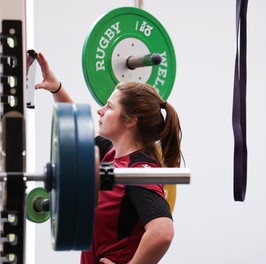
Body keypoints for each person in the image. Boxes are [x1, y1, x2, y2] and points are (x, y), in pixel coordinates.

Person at [34, 52, 182, 264]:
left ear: (130, 121)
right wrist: (56, 87)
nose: (100, 111)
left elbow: (162, 233)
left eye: (110, 107)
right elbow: (76, 130)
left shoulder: (136, 172)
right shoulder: (111, 155)